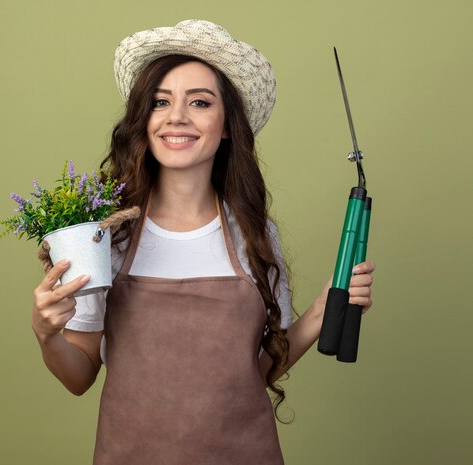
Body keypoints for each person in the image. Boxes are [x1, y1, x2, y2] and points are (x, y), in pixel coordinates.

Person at [30, 19, 375, 464]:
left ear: (227, 125)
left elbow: (254, 373)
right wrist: (47, 335)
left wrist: (323, 310)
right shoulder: (106, 237)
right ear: (144, 118)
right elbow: (79, 376)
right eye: (160, 102)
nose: (177, 116)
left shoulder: (253, 233)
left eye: (200, 102)